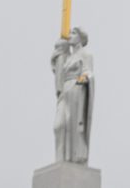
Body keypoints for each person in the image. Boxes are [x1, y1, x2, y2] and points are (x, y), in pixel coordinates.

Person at [51, 26, 94, 164]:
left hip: (76, 90)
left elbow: (89, 72)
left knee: (73, 125)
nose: (69, 35)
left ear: (80, 38)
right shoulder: (67, 57)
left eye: (73, 33)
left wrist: (83, 78)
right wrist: (58, 53)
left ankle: (72, 158)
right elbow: (58, 72)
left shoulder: (85, 54)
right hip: (65, 90)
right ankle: (60, 159)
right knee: (59, 125)